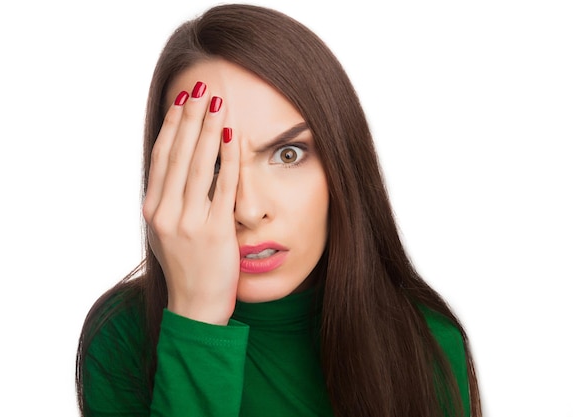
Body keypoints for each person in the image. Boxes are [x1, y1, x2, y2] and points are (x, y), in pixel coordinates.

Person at [76, 4, 481, 416]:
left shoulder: (424, 342)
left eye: (288, 154)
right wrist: (197, 323)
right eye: (211, 162)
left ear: (342, 167)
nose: (249, 210)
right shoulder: (123, 336)